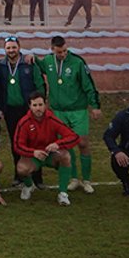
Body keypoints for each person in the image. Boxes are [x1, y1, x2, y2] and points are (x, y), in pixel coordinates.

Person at [36, 36, 101, 194]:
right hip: (58, 111)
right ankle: (74, 178)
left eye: (65, 51)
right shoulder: (48, 61)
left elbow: (89, 85)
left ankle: (87, 180)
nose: (63, 54)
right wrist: (32, 58)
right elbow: (38, 65)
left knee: (83, 143)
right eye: (59, 52)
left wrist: (95, 106)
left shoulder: (77, 62)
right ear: (52, 49)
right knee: (65, 145)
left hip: (78, 110)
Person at [13, 92, 80, 206]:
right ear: (30, 106)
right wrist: (33, 152)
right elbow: (17, 146)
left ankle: (63, 193)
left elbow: (74, 137)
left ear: (45, 105)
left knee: (66, 156)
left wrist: (57, 144)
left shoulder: (52, 119)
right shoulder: (24, 122)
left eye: (40, 105)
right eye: (35, 105)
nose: (38, 108)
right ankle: (29, 186)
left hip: (50, 155)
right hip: (34, 157)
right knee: (21, 168)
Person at [0, 37, 45, 186]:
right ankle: (19, 175)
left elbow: (40, 84)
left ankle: (37, 177)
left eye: (14, 47)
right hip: (10, 111)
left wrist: (39, 105)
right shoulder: (1, 65)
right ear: (5, 49)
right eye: (8, 48)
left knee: (34, 141)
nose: (11, 50)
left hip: (28, 110)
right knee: (16, 143)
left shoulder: (29, 63)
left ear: (19, 47)